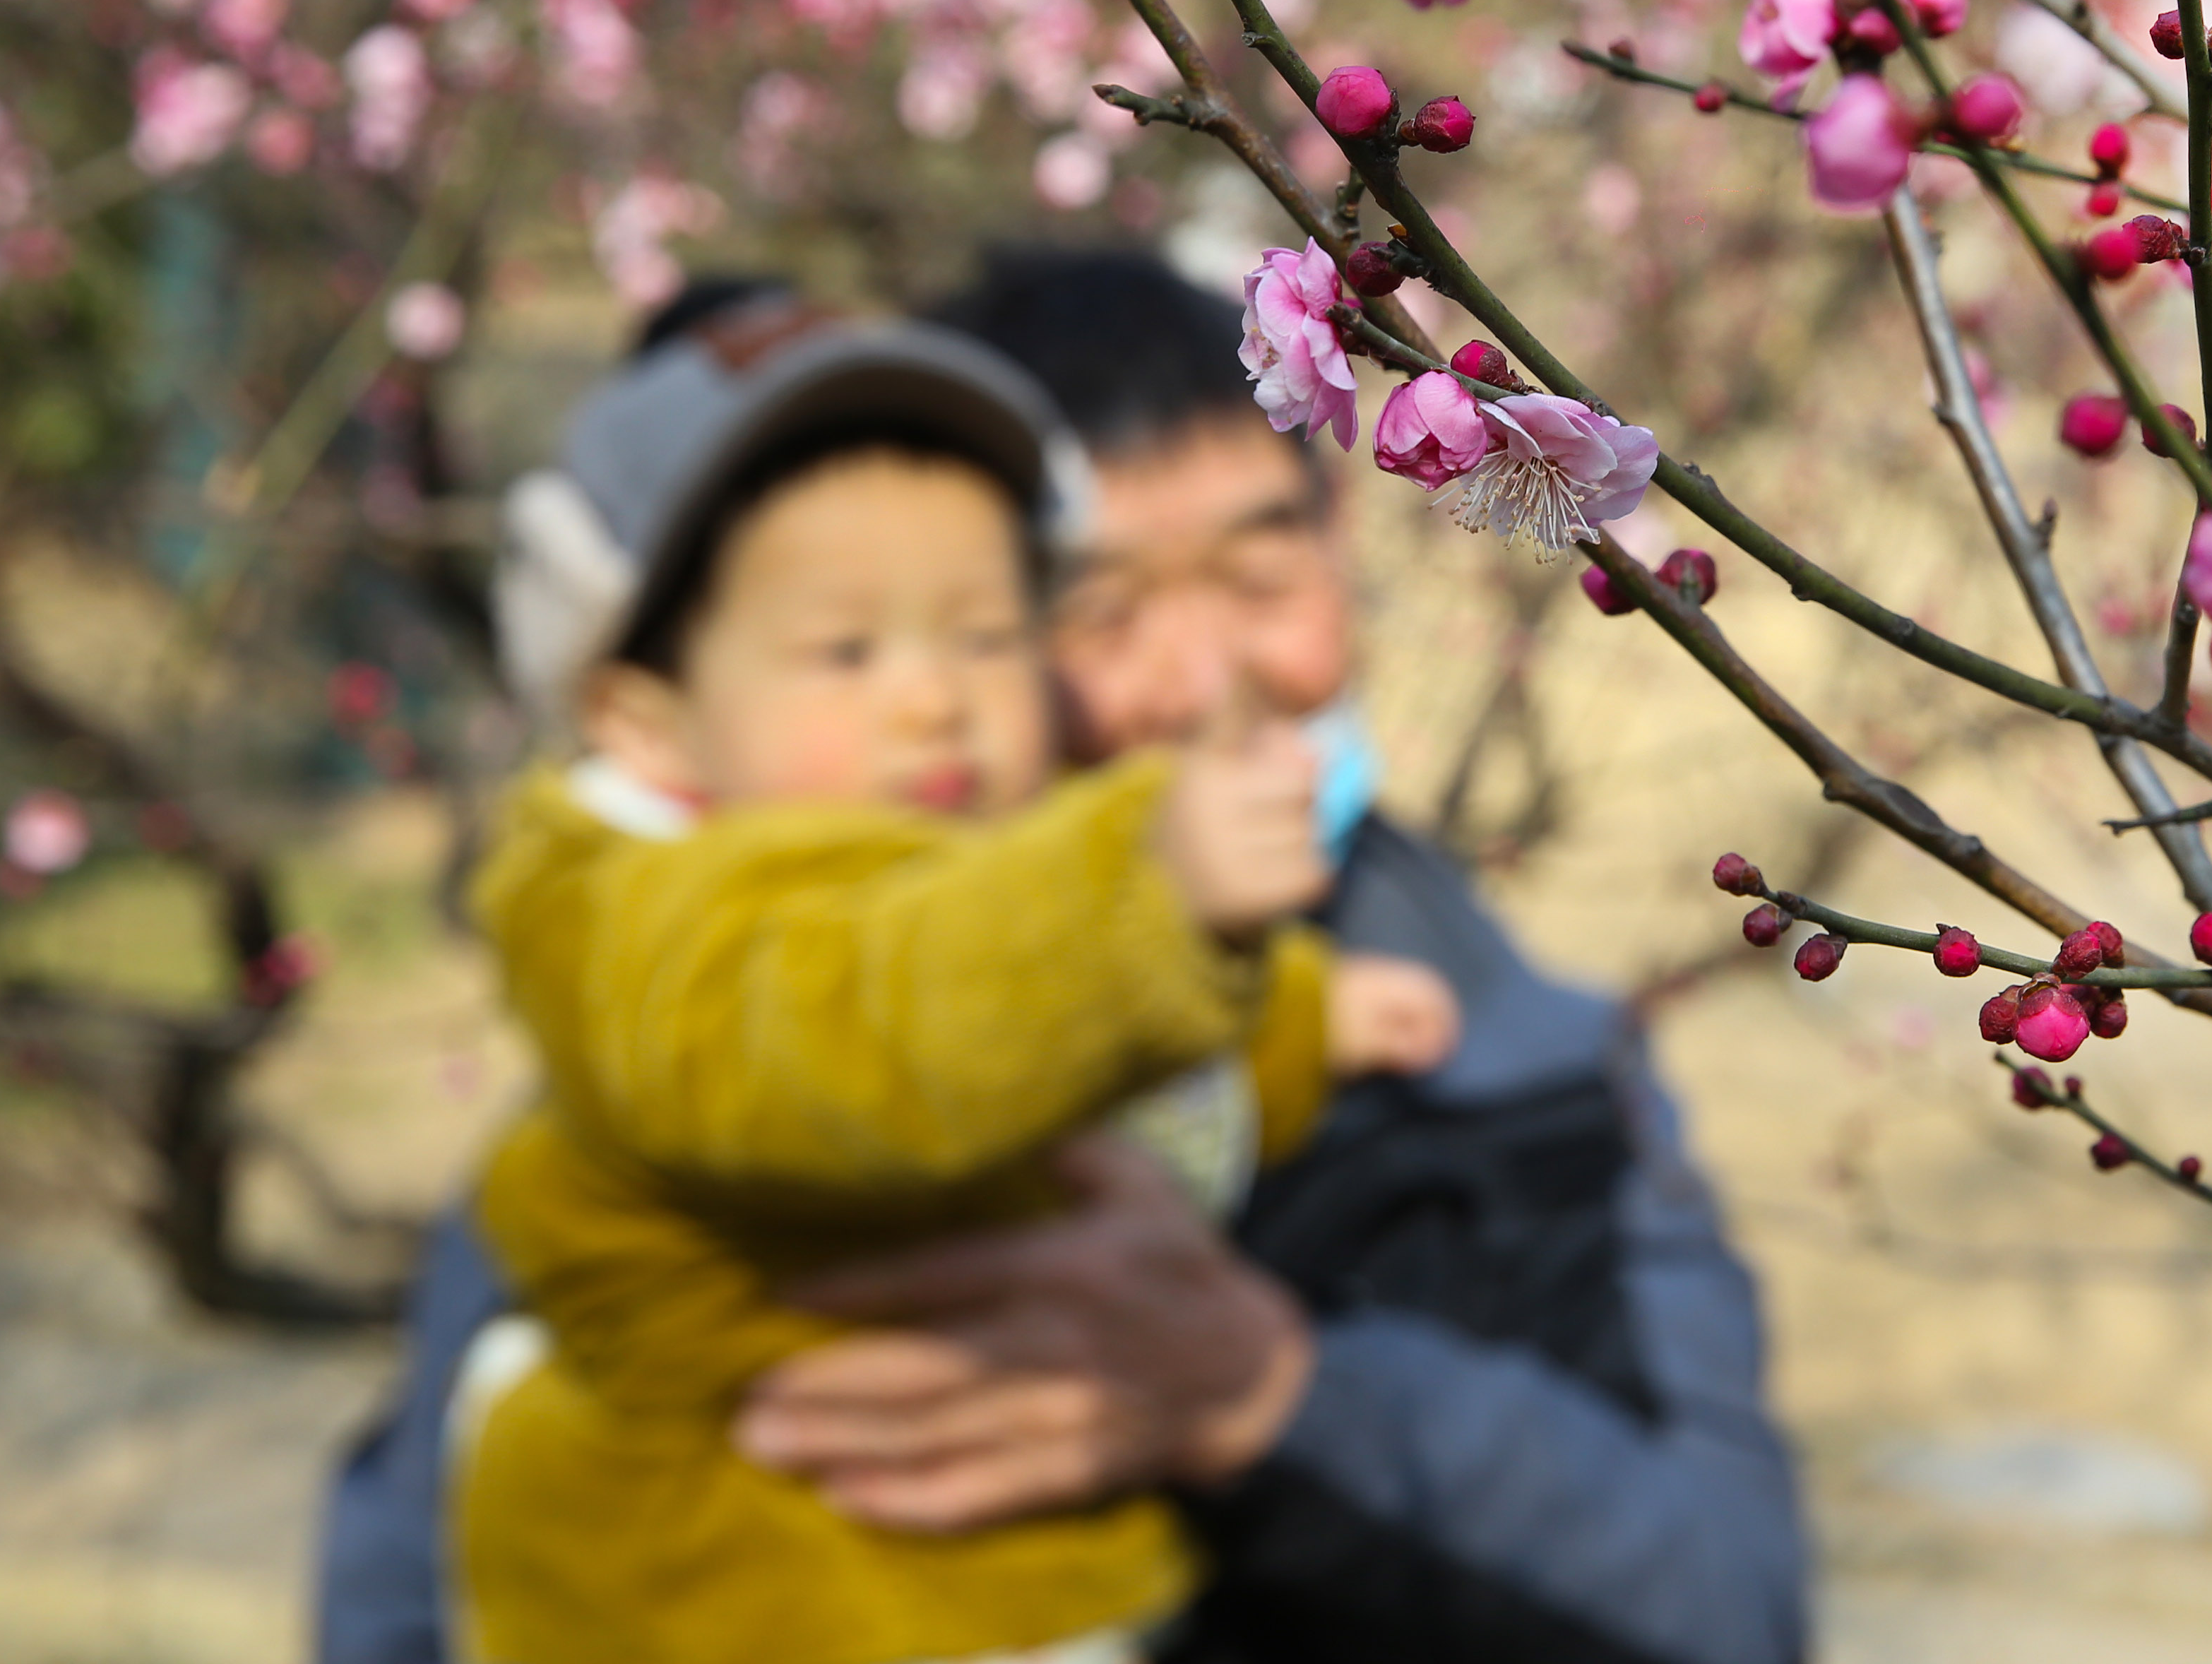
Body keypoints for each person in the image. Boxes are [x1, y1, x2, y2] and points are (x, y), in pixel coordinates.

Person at [316, 250, 1808, 1664]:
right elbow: (403, 1580)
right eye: (1096, 610)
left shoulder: (1519, 1075)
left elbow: (1726, 1612)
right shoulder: (717, 1019)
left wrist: (1268, 1397)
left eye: (1258, 571)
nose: (1203, 681)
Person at [446, 294, 1458, 1664]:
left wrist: (1294, 1017)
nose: (933, 698)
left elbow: (1110, 1065)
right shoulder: (663, 926)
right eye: (846, 651)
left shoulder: (990, 887)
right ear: (646, 715)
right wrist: (1143, 889)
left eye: (986, 637)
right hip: (751, 1598)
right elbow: (874, 1019)